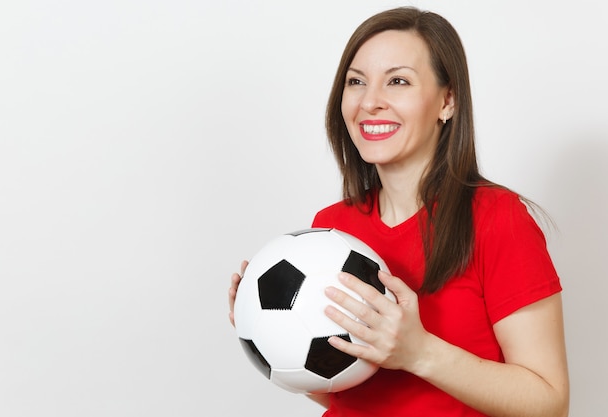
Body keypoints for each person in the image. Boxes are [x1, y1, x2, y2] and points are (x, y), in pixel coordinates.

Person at [228, 6, 569, 417]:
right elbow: (347, 393)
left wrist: (419, 352)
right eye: (356, 82)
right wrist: (269, 333)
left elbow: (549, 404)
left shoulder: (499, 218)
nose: (370, 102)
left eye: (398, 81)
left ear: (448, 100)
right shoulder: (332, 227)